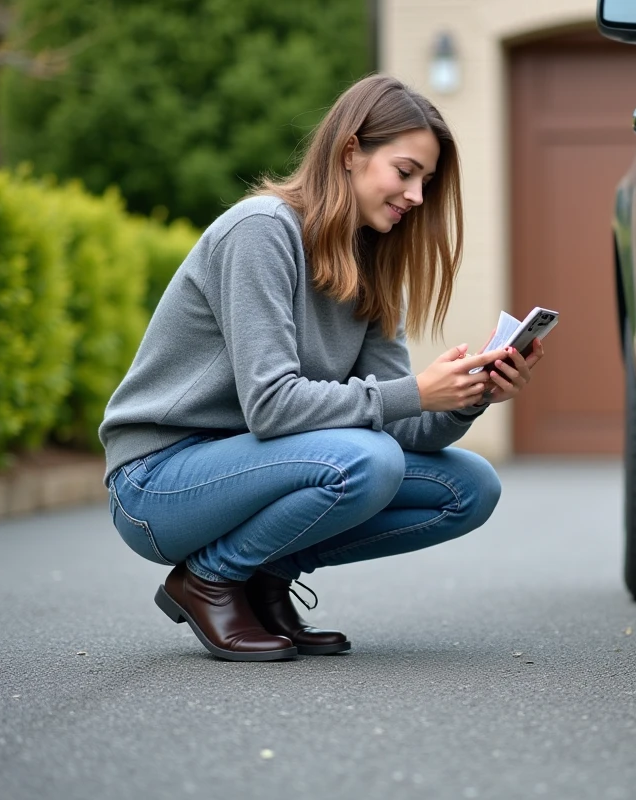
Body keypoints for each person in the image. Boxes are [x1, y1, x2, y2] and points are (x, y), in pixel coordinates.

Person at [98, 75, 544, 662]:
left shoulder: (374, 265)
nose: (415, 195)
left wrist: (466, 396)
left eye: (426, 183)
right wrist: (414, 390)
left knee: (468, 487)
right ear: (350, 151)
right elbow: (274, 405)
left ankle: (264, 575)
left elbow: (398, 420)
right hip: (158, 483)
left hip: (262, 468)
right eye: (405, 172)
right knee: (368, 461)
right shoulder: (260, 231)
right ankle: (208, 579)